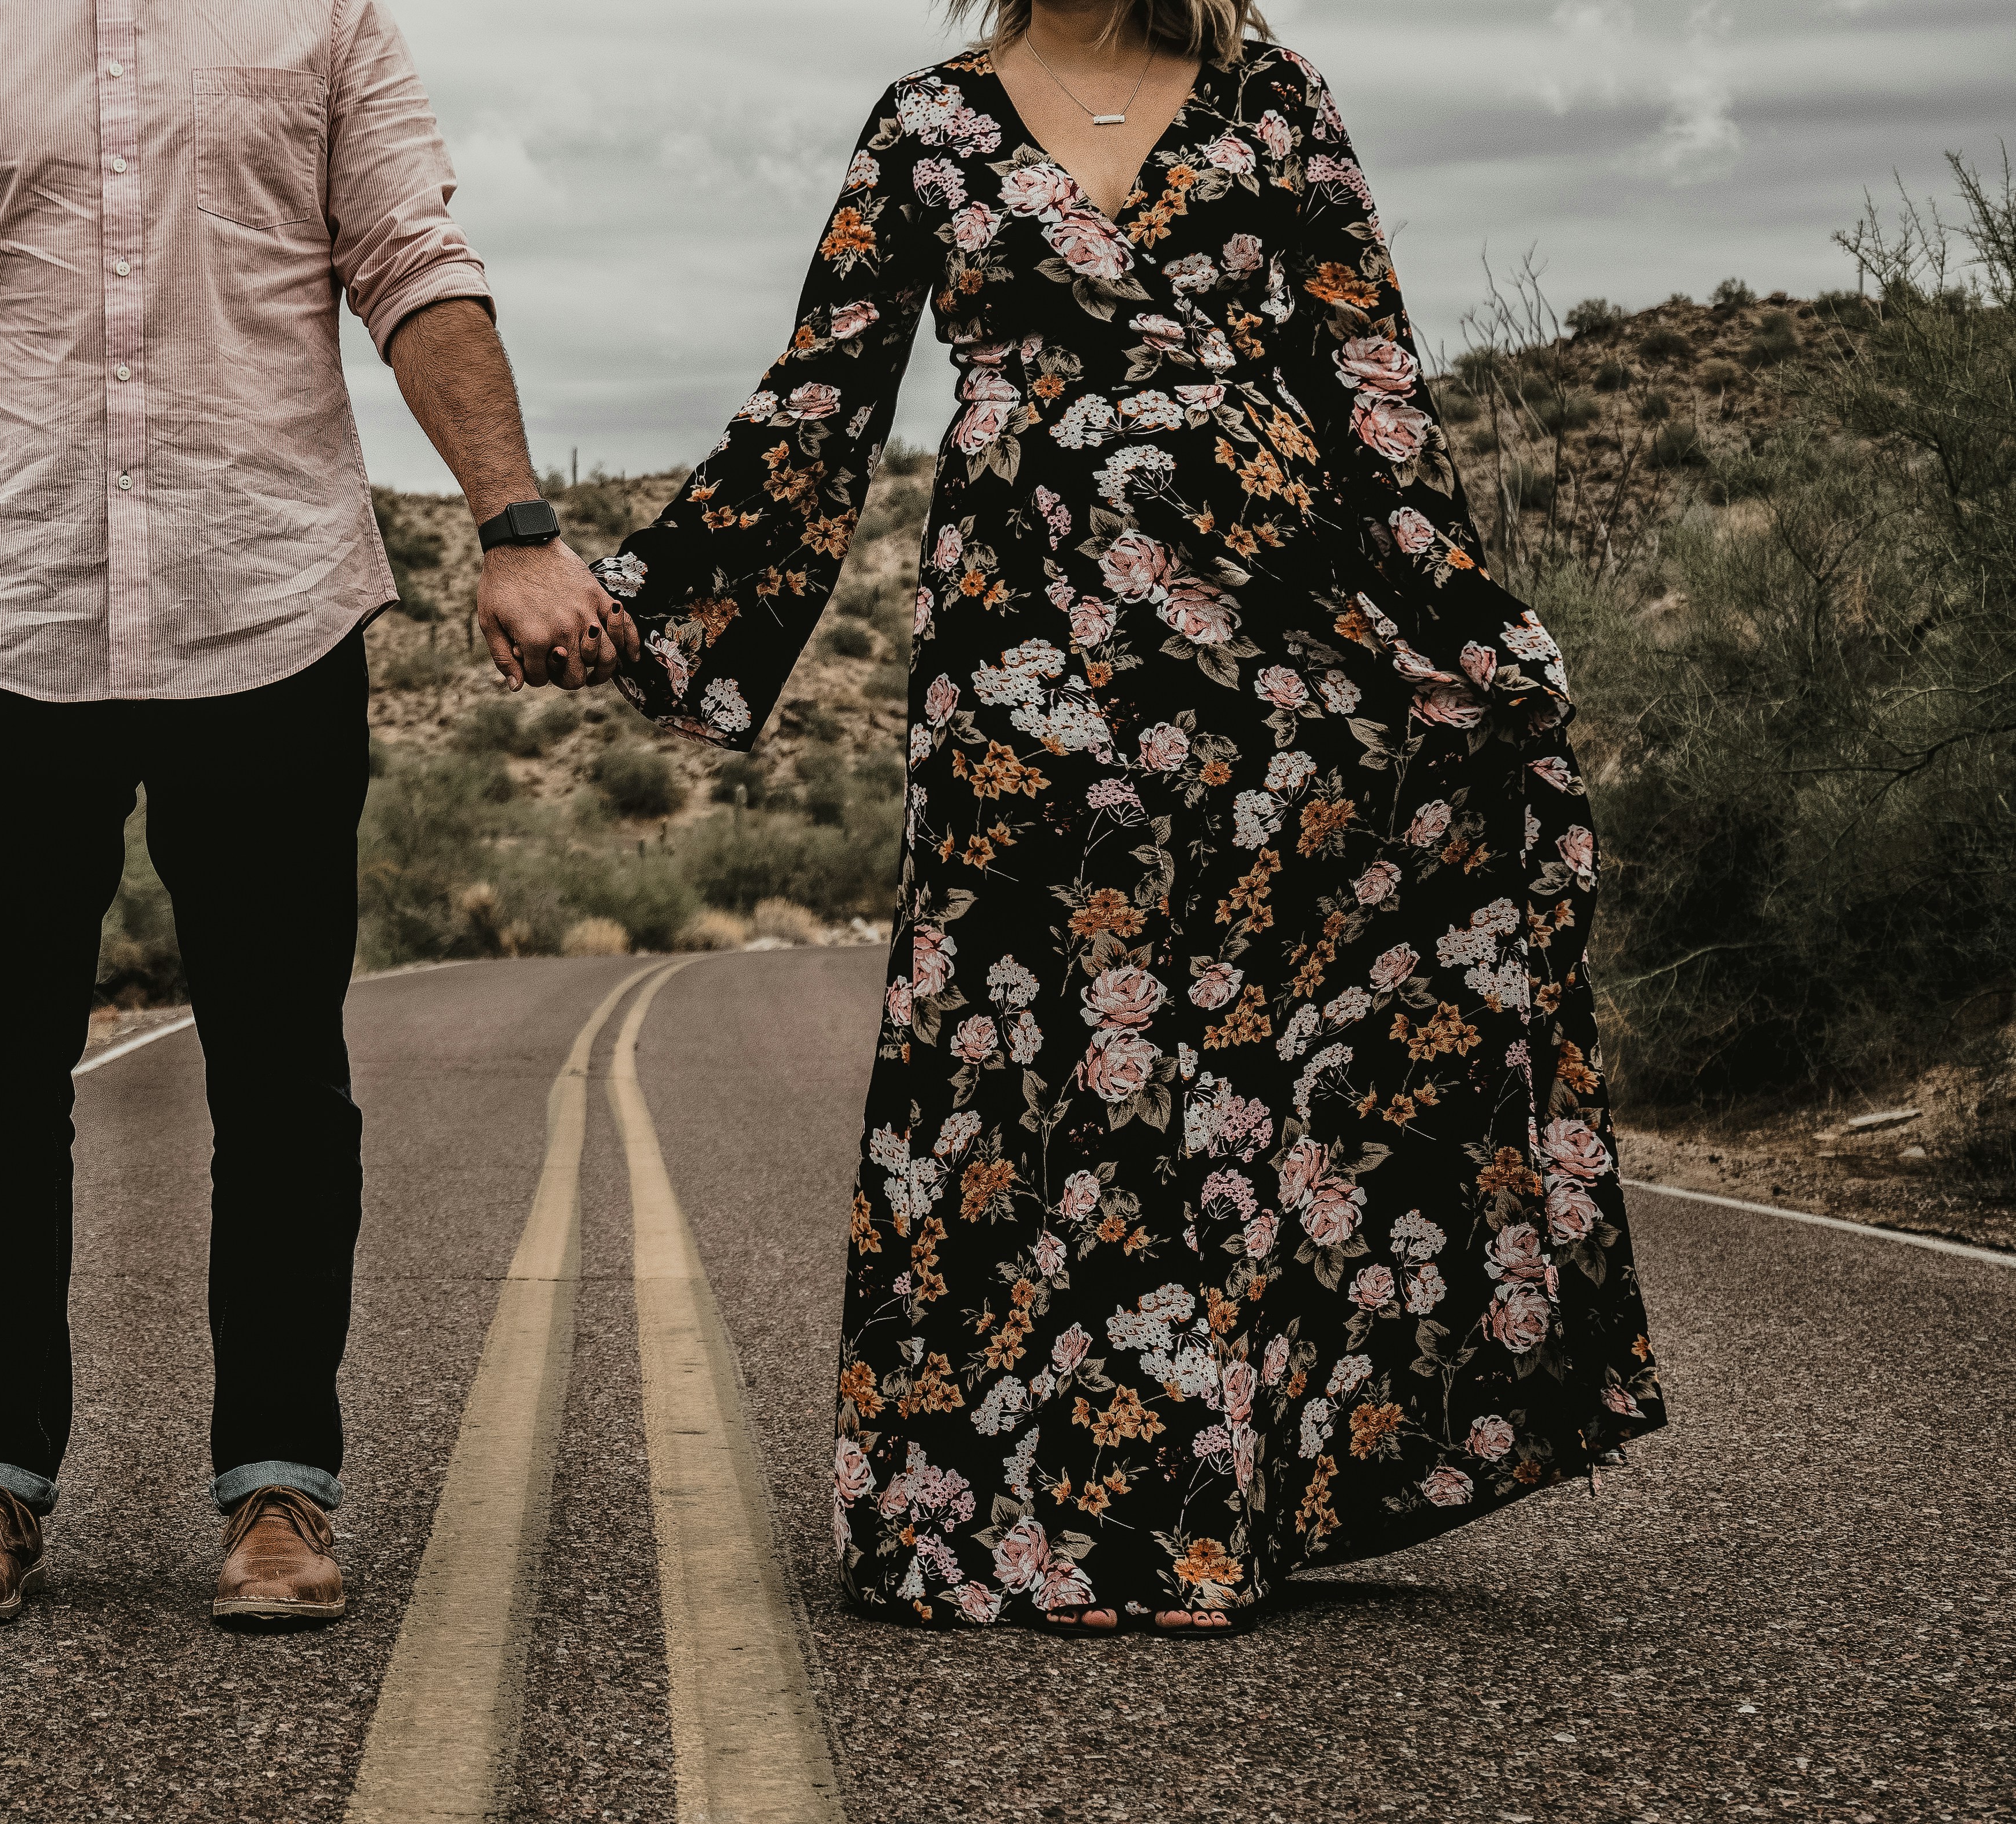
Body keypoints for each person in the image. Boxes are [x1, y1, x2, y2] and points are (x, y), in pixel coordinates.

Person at [595, 0, 1666, 1633]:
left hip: (1268, 639)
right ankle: (978, 1519)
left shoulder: (1275, 99)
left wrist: (1463, 630)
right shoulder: (927, 123)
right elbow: (823, 396)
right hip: (1019, 648)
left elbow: (1373, 387)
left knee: (1232, 1062)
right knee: (1021, 1051)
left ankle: (1218, 1499)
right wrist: (651, 607)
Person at [0, 0, 634, 1631]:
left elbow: (410, 258)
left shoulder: (324, 17)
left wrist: (515, 523)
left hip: (264, 605)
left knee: (278, 1072)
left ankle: (279, 1483)